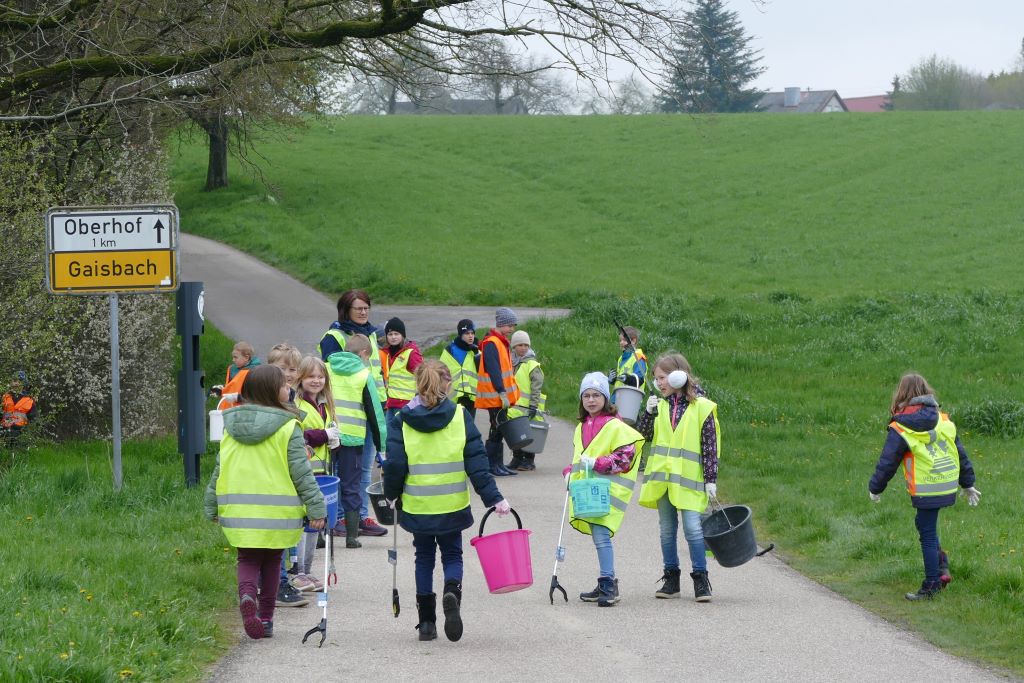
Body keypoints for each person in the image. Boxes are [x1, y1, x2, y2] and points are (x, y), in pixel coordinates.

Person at [383, 360, 511, 642]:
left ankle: (427, 623)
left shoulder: (401, 420)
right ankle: (452, 591)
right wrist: (494, 498)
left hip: (418, 506)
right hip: (452, 504)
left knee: (423, 558)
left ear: (417, 383)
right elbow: (477, 462)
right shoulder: (459, 416)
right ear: (448, 384)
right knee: (452, 554)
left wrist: (391, 494)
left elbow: (394, 464)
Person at [203, 364, 327, 640]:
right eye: (285, 385)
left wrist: (211, 504)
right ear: (273, 392)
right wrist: (317, 507)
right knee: (273, 563)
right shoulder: (288, 426)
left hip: (238, 508)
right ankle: (267, 619)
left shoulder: (230, 425)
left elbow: (220, 468)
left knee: (246, 558)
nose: (290, 388)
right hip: (277, 512)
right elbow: (301, 472)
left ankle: (248, 596)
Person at [868, 372, 980, 601]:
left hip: (926, 487)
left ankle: (931, 585)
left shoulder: (900, 426)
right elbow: (961, 453)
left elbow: (888, 461)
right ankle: (941, 566)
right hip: (945, 485)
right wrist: (968, 484)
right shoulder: (943, 420)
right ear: (926, 392)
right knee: (923, 523)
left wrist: (875, 488)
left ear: (901, 394)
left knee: (927, 535)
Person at [636, 353, 719, 602]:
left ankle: (701, 579)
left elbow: (709, 446)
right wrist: (648, 413)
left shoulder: (702, 407)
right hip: (663, 480)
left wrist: (711, 479)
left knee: (693, 530)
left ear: (678, 375)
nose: (659, 383)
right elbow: (642, 436)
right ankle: (671, 579)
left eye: (662, 377)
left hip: (689, 480)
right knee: (667, 530)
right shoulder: (659, 405)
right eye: (656, 378)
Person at [563, 372, 645, 607]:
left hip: (606, 491)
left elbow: (624, 458)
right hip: (589, 490)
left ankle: (608, 584)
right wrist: (569, 471)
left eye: (596, 395)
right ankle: (605, 582)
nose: (591, 400)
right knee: (599, 537)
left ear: (605, 398)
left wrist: (598, 463)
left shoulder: (615, 426)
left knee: (601, 537)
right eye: (586, 395)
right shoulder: (581, 427)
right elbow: (580, 457)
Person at [318, 289, 388, 537]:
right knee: (344, 471)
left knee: (365, 468)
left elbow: (375, 373)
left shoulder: (370, 334)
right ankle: (341, 518)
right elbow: (332, 375)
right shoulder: (334, 337)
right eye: (358, 308)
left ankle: (360, 517)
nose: (363, 311)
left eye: (366, 307)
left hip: (374, 407)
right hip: (348, 413)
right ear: (346, 310)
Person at [325, 333, 387, 547]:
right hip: (352, 440)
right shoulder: (363, 374)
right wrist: (382, 447)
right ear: (363, 354)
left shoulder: (325, 368)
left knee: (323, 482)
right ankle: (351, 538)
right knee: (351, 486)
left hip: (325, 438)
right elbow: (375, 414)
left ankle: (321, 535)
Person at [267, 343, 311, 607]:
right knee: (277, 531)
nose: (288, 373)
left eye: (293, 369)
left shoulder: (292, 396)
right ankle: (278, 582)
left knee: (284, 531)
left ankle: (281, 578)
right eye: (282, 368)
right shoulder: (271, 399)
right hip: (274, 472)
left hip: (289, 470)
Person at [291, 355, 337, 592]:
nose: (316, 381)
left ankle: (307, 571)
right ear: (301, 378)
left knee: (315, 524)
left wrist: (333, 439)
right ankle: (298, 571)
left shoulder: (324, 403)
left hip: (322, 472)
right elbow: (298, 437)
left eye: (320, 377)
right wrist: (324, 435)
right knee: (303, 522)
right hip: (304, 473)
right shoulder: (297, 405)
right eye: (311, 376)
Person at [475, 307, 521, 476]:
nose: (512, 329)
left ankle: (497, 464)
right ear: (501, 324)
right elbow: (494, 370)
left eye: (513, 325)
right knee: (496, 428)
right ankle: (492, 465)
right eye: (510, 325)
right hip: (496, 395)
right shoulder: (492, 343)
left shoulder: (500, 342)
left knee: (499, 428)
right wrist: (502, 392)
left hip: (500, 396)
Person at [507, 330, 545, 472]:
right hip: (514, 407)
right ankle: (517, 458)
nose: (523, 348)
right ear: (514, 347)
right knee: (516, 434)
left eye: (525, 345)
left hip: (528, 407)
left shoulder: (532, 364)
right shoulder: (511, 363)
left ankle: (529, 460)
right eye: (520, 345)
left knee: (530, 433)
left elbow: (536, 387)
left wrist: (533, 405)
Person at [380, 317, 423, 423]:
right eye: (390, 334)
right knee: (390, 436)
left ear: (403, 335)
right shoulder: (387, 353)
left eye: (396, 334)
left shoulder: (411, 353)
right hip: (391, 403)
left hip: (406, 405)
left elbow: (423, 376)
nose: (393, 337)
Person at [439, 319, 479, 417]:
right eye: (467, 333)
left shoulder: (476, 351)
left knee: (469, 429)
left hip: (471, 398)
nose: (470, 336)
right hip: (453, 398)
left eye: (472, 333)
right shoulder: (449, 351)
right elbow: (439, 373)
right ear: (460, 334)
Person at [213, 341, 261, 410]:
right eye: (233, 357)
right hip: (228, 408)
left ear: (246, 358)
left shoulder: (254, 372)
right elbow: (232, 387)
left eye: (236, 357)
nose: (233, 360)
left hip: (244, 410)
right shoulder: (232, 369)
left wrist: (237, 398)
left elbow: (254, 395)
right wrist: (221, 389)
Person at [608, 326, 647, 396]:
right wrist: (612, 379)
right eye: (620, 340)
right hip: (617, 396)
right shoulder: (621, 358)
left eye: (624, 340)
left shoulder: (638, 357)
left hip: (630, 398)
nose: (621, 343)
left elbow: (640, 379)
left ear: (633, 341)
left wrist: (628, 379)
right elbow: (620, 380)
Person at [2, 371, 37, 444]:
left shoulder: (29, 401)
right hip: (3, 435)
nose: (16, 383)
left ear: (24, 384)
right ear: (11, 382)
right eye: (14, 380)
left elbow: (33, 421)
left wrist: (27, 436)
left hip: (20, 437)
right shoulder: (4, 397)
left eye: (20, 381)